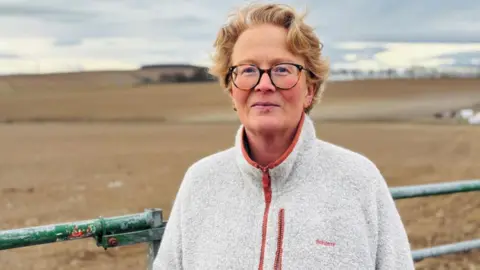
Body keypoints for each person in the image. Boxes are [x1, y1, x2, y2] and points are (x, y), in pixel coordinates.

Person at [154, 3, 414, 269]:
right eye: (247, 70)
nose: (264, 85)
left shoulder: (359, 181)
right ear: (231, 89)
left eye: (282, 69)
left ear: (310, 90)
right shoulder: (200, 184)